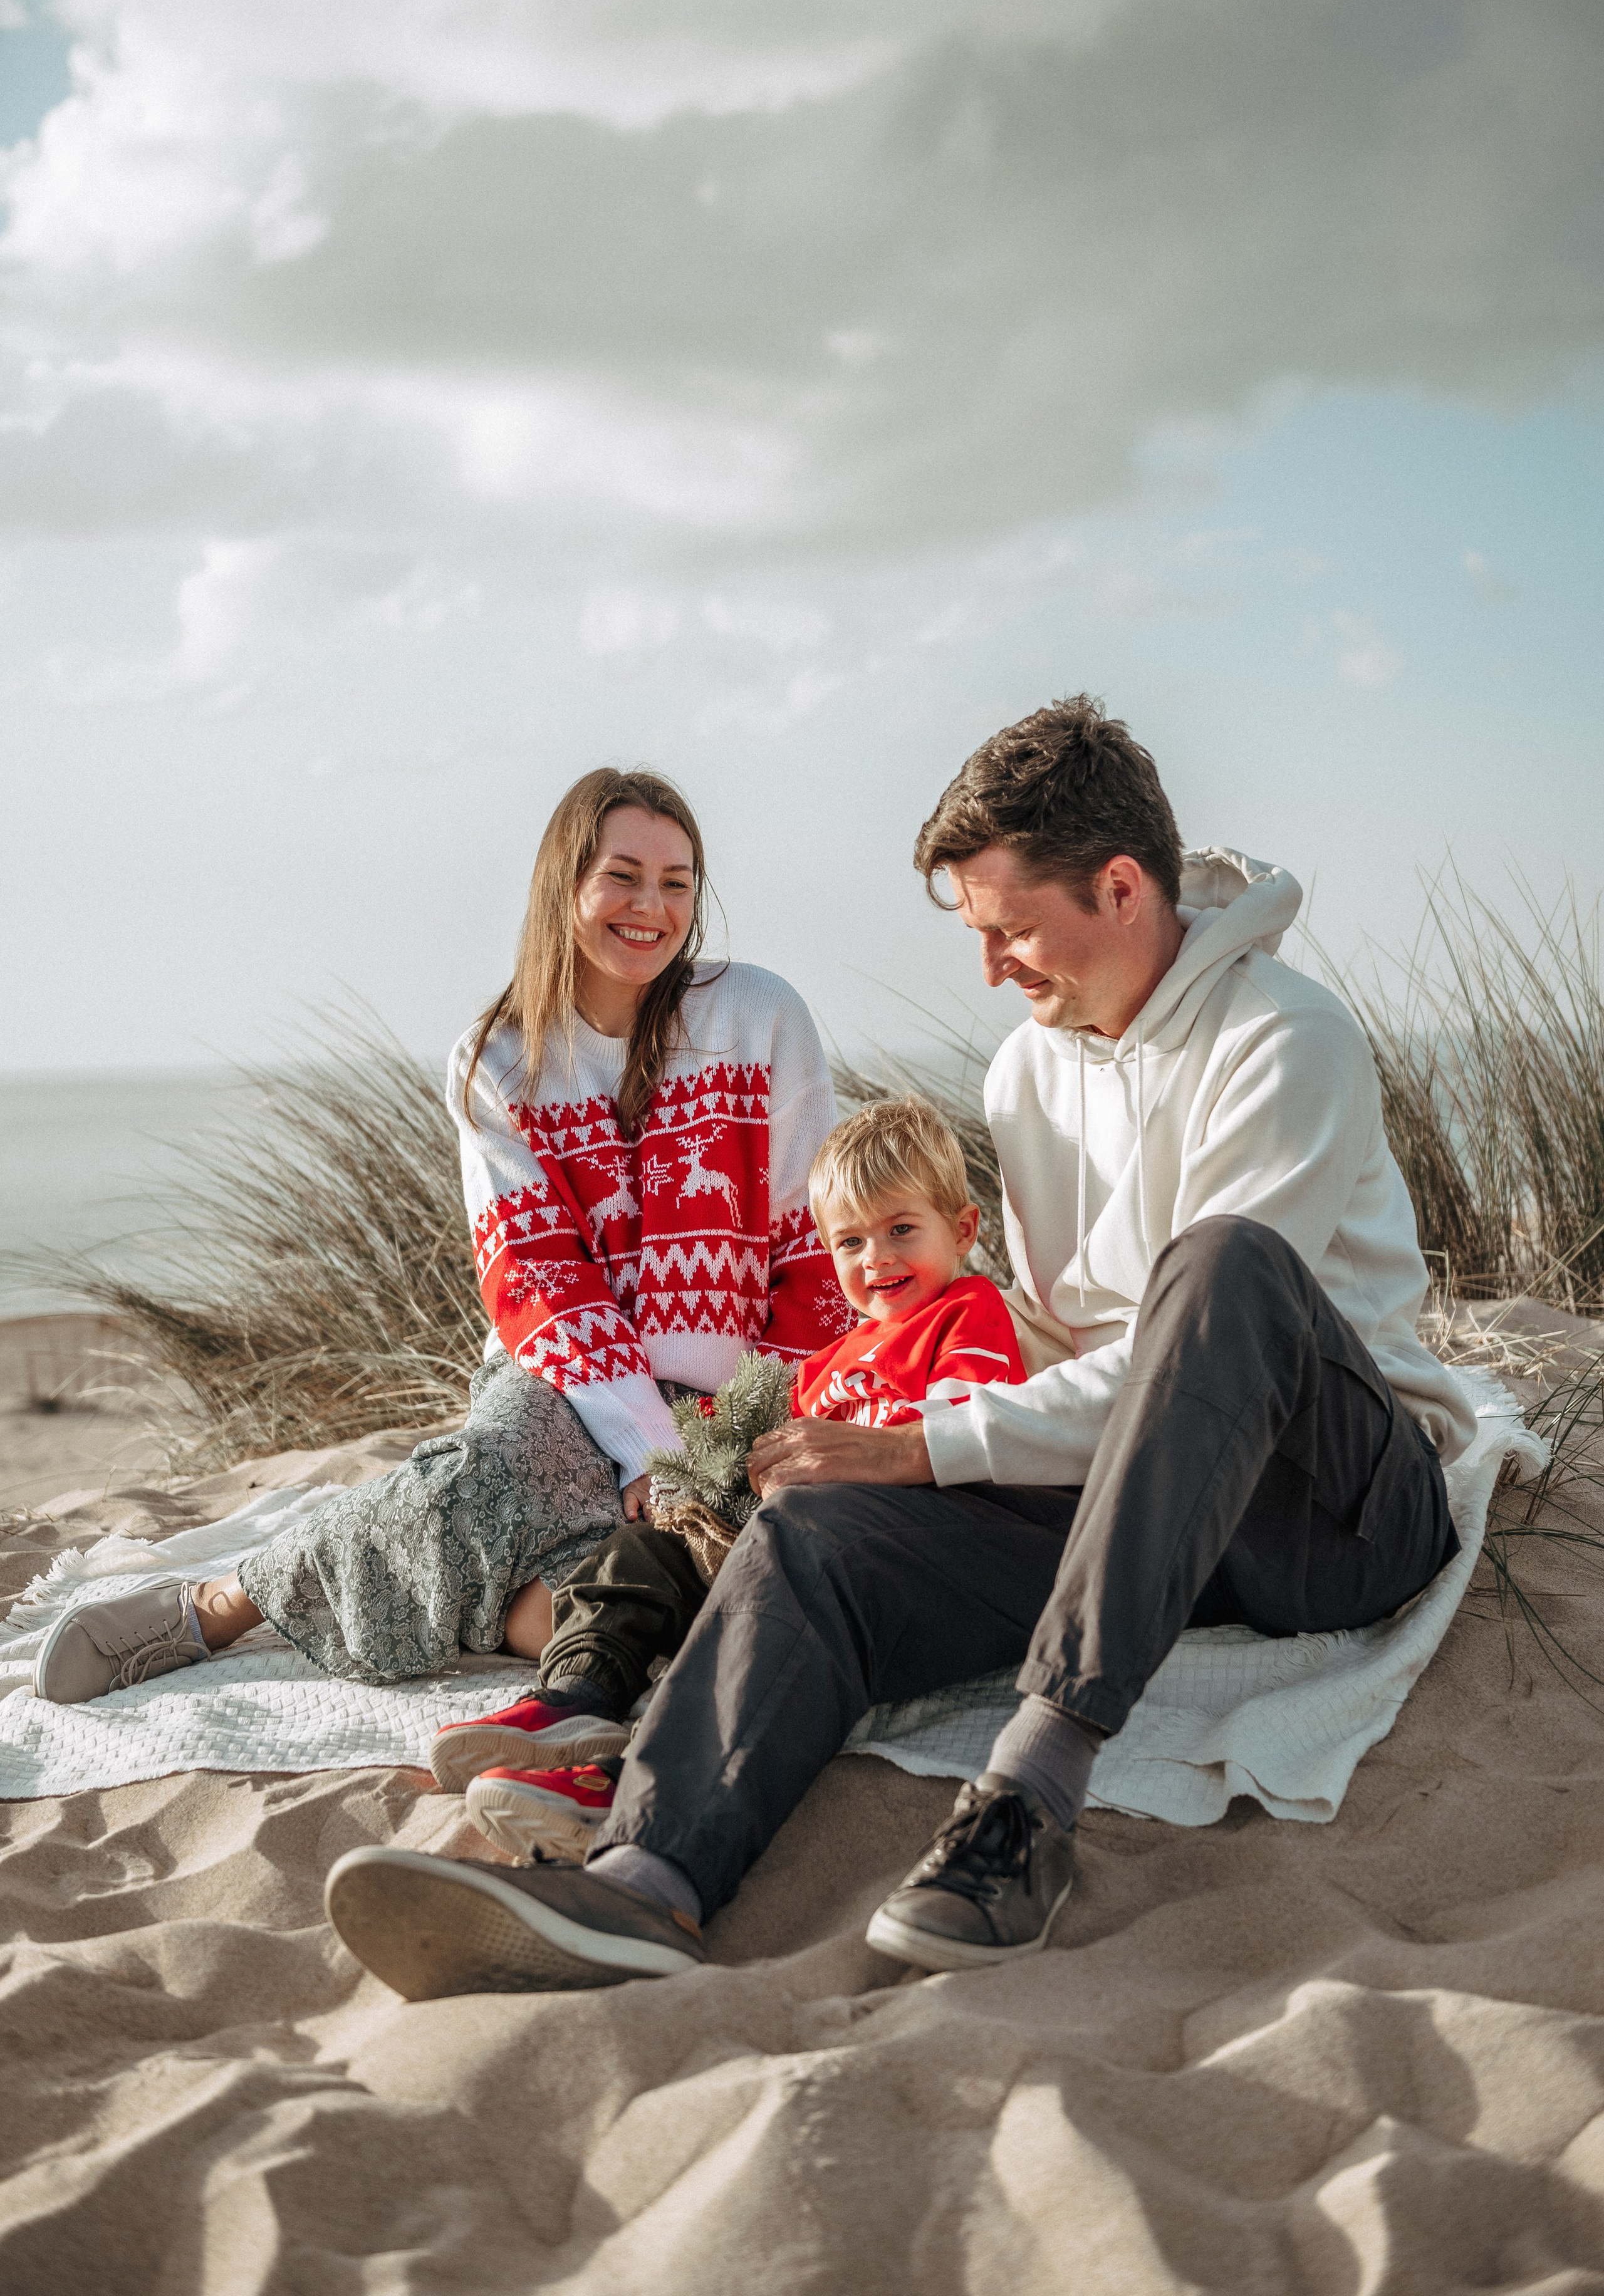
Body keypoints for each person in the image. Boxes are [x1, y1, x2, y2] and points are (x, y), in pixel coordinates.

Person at [323, 697, 1479, 2000]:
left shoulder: (1284, 1039)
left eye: (1009, 930)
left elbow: (1199, 1348)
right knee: (819, 1525)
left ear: (1118, 887)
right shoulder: (1026, 1073)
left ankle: (1027, 1797)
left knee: (1220, 1265)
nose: (989, 969)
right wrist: (883, 1433)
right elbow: (1055, 1332)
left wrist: (927, 1444)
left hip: (1329, 1509)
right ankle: (646, 1880)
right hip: (1133, 1509)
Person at [33, 768, 846, 1708]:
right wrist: (645, 1447)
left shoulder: (759, 1016)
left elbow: (816, 1244)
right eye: (623, 877)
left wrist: (754, 1423)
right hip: (567, 1381)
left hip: (736, 1398)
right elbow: (539, 1280)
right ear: (564, 886)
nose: (652, 908)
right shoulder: (499, 1058)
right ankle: (220, 1605)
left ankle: (512, 1618)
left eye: (676, 882)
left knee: (697, 1577)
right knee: (485, 1481)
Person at [444, 1096, 1027, 1863]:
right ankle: (577, 1693)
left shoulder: (967, 1314)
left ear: (964, 1229)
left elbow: (962, 1423)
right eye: (850, 1241)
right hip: (781, 1533)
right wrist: (703, 1453)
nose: (876, 1259)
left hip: (886, 1537)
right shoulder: (830, 1358)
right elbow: (759, 1427)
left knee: (750, 1622)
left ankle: (633, 1777)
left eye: (901, 1230)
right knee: (638, 1556)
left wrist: (871, 1449)